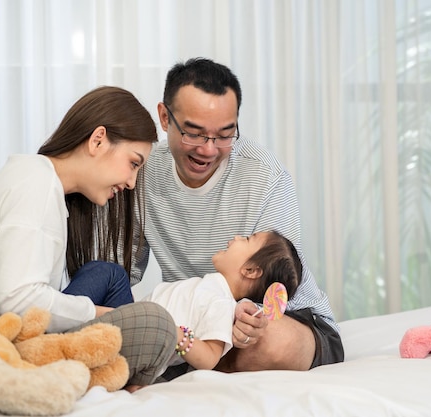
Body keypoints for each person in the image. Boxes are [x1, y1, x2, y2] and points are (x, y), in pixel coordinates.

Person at [132, 57, 344, 375]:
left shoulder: (263, 172)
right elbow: (123, 271)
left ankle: (205, 361)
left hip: (277, 317)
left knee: (268, 342)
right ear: (164, 117)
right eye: (194, 133)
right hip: (194, 326)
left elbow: (280, 275)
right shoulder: (141, 171)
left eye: (224, 135)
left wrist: (249, 319)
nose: (209, 149)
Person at [0, 86, 177, 388]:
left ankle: (127, 371)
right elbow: (17, 299)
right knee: (156, 324)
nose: (131, 182)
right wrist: (97, 312)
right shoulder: (36, 185)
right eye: (133, 163)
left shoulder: (39, 177)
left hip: (14, 332)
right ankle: (129, 374)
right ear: (98, 140)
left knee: (108, 274)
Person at [131, 230, 302, 390]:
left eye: (247, 239)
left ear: (250, 270)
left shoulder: (222, 304)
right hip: (135, 324)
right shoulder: (211, 288)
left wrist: (177, 335)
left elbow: (210, 357)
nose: (237, 237)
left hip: (142, 342)